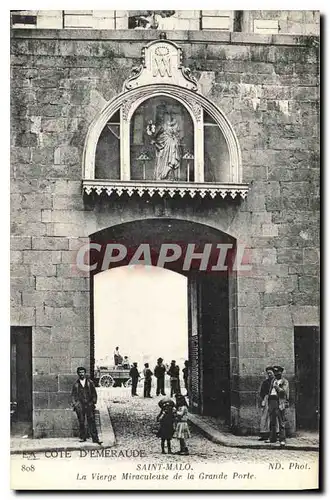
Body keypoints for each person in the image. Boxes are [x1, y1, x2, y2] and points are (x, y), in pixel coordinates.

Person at [147, 110, 182, 181]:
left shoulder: (165, 126)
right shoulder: (165, 126)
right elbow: (154, 135)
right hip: (166, 144)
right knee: (165, 160)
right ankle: (163, 175)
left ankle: (166, 175)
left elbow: (154, 135)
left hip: (168, 144)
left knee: (168, 160)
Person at [71, 367, 102, 445]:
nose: (81, 374)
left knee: (91, 421)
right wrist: (76, 404)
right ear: (78, 374)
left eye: (83, 372)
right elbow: (73, 395)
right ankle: (83, 437)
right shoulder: (76, 384)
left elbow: (94, 394)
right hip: (80, 405)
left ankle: (95, 438)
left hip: (89, 404)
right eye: (80, 372)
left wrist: (93, 402)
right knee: (81, 421)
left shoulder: (90, 382)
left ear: (85, 373)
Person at [266, 365, 289, 446]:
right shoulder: (273, 380)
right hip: (272, 401)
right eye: (275, 374)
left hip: (280, 402)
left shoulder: (285, 381)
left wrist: (276, 387)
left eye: (278, 374)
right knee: (272, 421)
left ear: (281, 373)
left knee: (281, 421)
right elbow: (269, 391)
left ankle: (282, 439)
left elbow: (283, 392)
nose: (276, 375)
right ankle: (272, 438)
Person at [259, 366, 276, 441]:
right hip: (266, 399)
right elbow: (262, 392)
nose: (269, 374)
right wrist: (264, 399)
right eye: (268, 373)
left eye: (271, 373)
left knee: (274, 417)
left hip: (274, 399)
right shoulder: (265, 382)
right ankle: (264, 433)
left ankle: (275, 434)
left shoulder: (276, 381)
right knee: (265, 416)